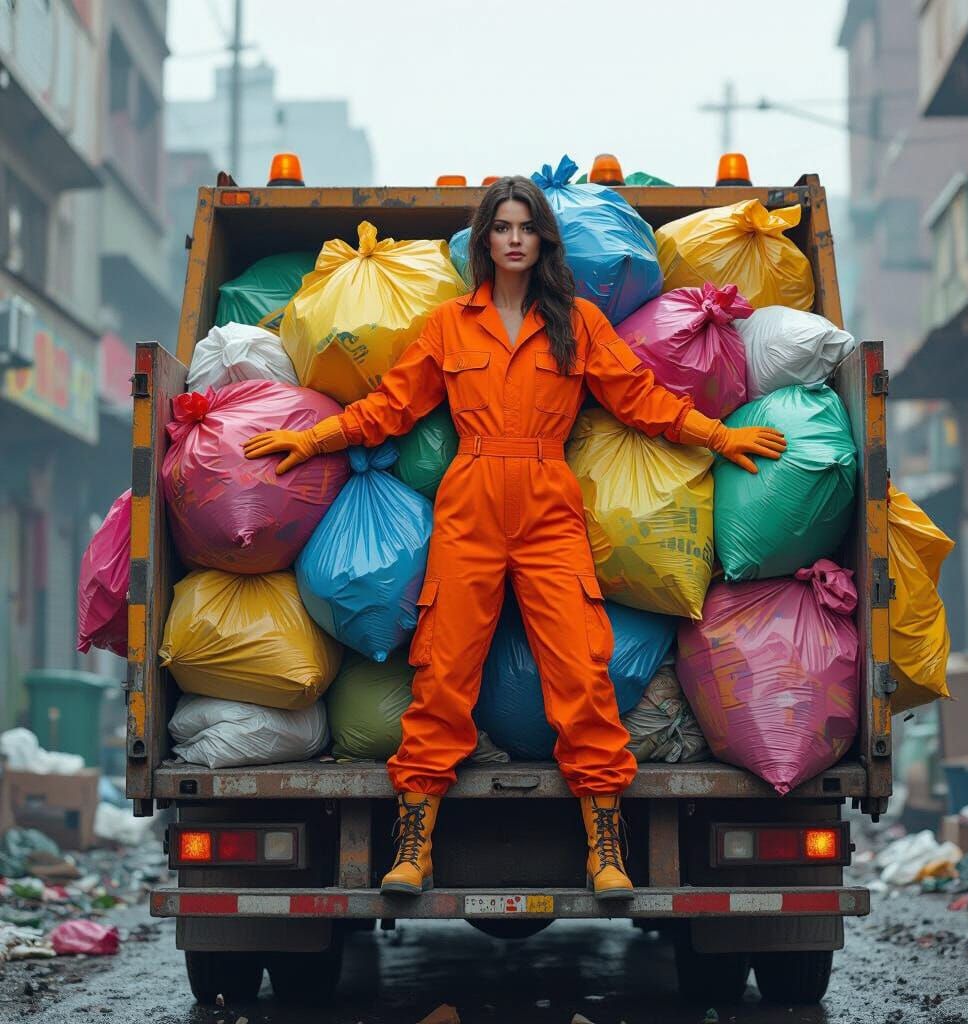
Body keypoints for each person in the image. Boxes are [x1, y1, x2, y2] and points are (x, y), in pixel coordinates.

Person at [243, 177, 786, 901]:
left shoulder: (578, 323)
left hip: (547, 502)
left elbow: (640, 398)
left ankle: (605, 849)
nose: (514, 239)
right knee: (442, 671)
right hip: (469, 501)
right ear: (483, 240)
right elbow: (391, 406)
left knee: (582, 672)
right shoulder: (448, 327)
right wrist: (314, 440)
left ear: (543, 240)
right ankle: (415, 846)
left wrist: (717, 434)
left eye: (526, 227)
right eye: (501, 227)